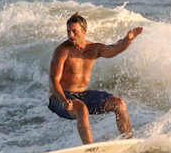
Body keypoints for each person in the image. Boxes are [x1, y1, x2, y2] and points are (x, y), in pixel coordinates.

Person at [48, 13, 144, 144]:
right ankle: (91, 150)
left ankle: (129, 142)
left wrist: (128, 40)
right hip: (59, 98)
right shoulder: (62, 51)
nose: (70, 35)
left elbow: (114, 49)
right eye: (68, 31)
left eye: (74, 31)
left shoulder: (93, 49)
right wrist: (64, 100)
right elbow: (53, 81)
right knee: (81, 109)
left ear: (84, 31)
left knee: (119, 104)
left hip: (81, 95)